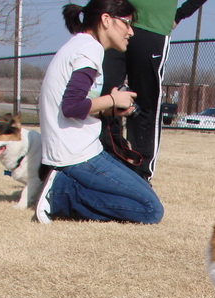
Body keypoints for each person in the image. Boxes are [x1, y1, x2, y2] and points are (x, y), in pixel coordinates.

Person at [35, 0, 164, 225]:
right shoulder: (90, 49)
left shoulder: (80, 45)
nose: (131, 32)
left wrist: (110, 108)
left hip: (80, 150)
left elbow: (74, 107)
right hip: (75, 155)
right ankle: (59, 194)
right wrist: (112, 99)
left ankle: (62, 185)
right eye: (127, 23)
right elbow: (71, 106)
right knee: (151, 210)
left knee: (145, 193)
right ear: (106, 20)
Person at [101, 0, 208, 181]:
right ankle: (107, 160)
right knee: (104, 93)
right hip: (114, 19)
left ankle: (141, 172)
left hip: (153, 27)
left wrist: (180, 14)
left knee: (146, 101)